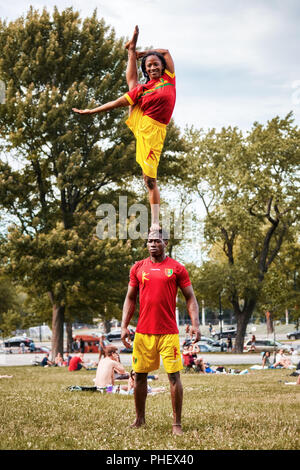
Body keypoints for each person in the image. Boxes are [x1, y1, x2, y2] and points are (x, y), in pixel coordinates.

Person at [72, 26, 176, 231]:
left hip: (155, 130)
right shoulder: (144, 89)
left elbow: (165, 52)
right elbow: (117, 102)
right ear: (145, 70)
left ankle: (129, 51)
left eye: (156, 64)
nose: (153, 67)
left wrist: (140, 54)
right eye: (149, 66)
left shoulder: (169, 78)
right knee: (150, 179)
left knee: (148, 180)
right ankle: (155, 221)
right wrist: (92, 111)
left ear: (162, 67)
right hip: (144, 125)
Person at [121, 228, 200, 436]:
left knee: (174, 377)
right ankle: (139, 419)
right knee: (139, 376)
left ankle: (177, 424)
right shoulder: (138, 268)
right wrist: (123, 326)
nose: (152, 244)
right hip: (143, 332)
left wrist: (195, 324)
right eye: (149, 241)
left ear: (166, 242)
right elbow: (130, 298)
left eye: (157, 241)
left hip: (168, 333)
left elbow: (190, 297)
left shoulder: (177, 268)